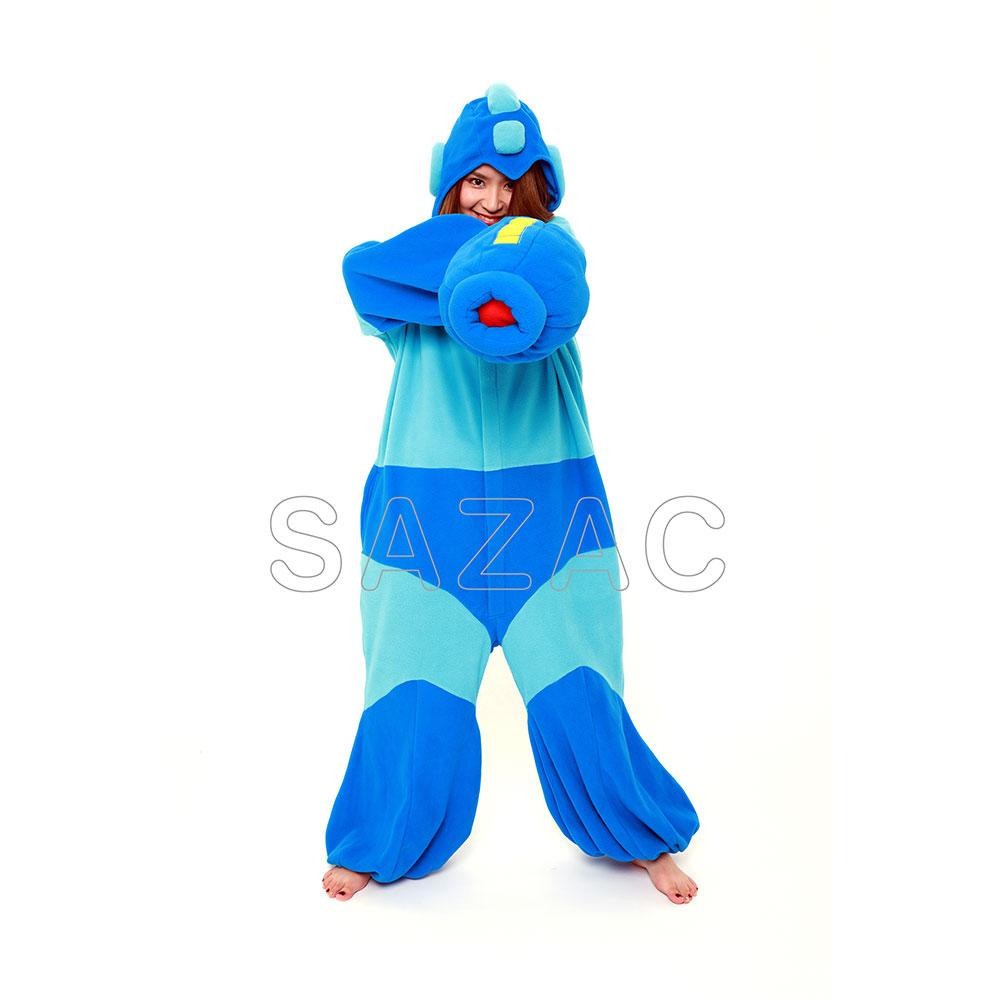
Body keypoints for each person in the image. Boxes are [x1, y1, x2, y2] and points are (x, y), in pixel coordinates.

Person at [321, 84, 700, 904]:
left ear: (537, 189)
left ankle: (642, 837)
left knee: (582, 690)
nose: (492, 201)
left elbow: (544, 282)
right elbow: (361, 272)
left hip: (551, 518)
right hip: (426, 524)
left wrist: (490, 272)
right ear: (451, 186)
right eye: (476, 182)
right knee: (407, 695)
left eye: (509, 184)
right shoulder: (410, 281)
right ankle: (379, 840)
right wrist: (465, 269)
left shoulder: (551, 265)